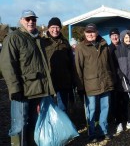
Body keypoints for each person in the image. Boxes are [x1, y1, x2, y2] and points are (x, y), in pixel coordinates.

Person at [0, 10, 55, 145]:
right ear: (21, 20)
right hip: (22, 91)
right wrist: (14, 89)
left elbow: (42, 66)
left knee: (34, 122)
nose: (31, 21)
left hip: (37, 90)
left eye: (33, 19)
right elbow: (7, 65)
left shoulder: (37, 39)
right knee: (19, 125)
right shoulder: (14, 37)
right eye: (27, 19)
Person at [75, 23, 114, 142]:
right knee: (91, 110)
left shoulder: (104, 44)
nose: (90, 34)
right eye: (88, 32)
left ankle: (104, 131)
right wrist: (80, 86)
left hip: (105, 82)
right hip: (90, 85)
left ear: (96, 32)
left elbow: (110, 63)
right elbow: (78, 68)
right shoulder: (80, 47)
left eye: (92, 32)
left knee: (105, 108)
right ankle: (92, 134)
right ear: (84, 34)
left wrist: (112, 79)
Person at [44, 17, 75, 113]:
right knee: (48, 108)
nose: (55, 30)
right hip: (48, 81)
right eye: (53, 27)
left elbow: (71, 62)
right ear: (48, 28)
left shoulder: (65, 42)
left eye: (57, 27)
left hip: (63, 80)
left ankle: (63, 126)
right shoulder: (42, 42)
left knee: (63, 107)